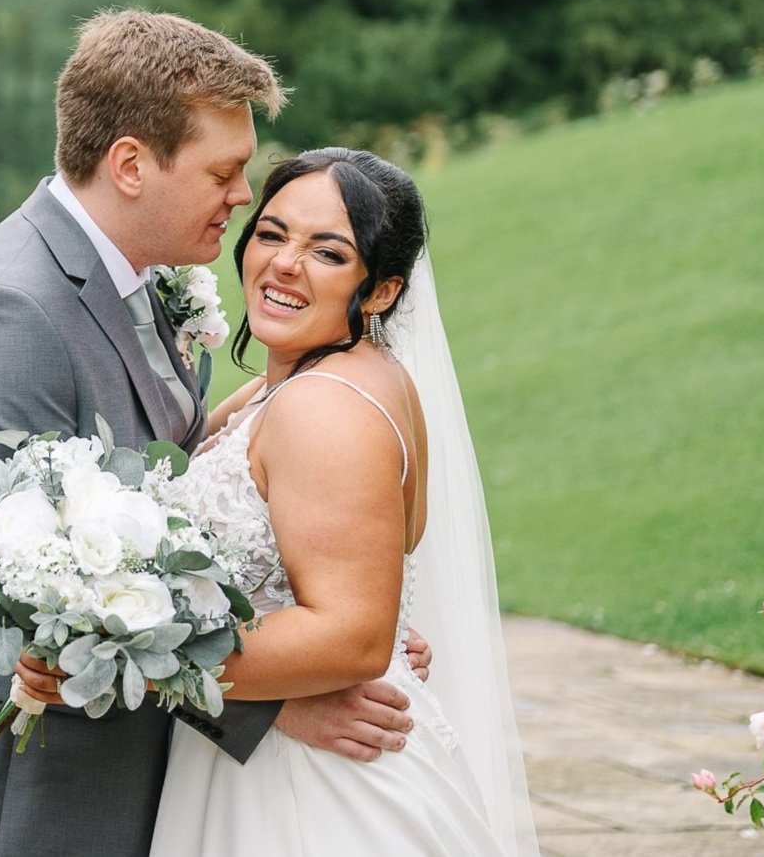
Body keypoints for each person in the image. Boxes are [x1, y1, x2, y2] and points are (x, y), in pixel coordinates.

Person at [0, 15, 429, 856]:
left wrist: (323, 610)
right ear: (132, 165)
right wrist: (279, 697)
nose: (244, 197)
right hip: (44, 794)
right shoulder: (10, 315)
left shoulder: (143, 281)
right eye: (224, 171)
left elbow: (176, 495)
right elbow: (50, 606)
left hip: (152, 774)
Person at [122, 149, 541, 855]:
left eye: (328, 252)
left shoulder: (325, 407)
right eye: (273, 233)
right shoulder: (310, 383)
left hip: (310, 792)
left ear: (380, 291)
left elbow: (354, 635)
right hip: (281, 760)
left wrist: (133, 642)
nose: (285, 264)